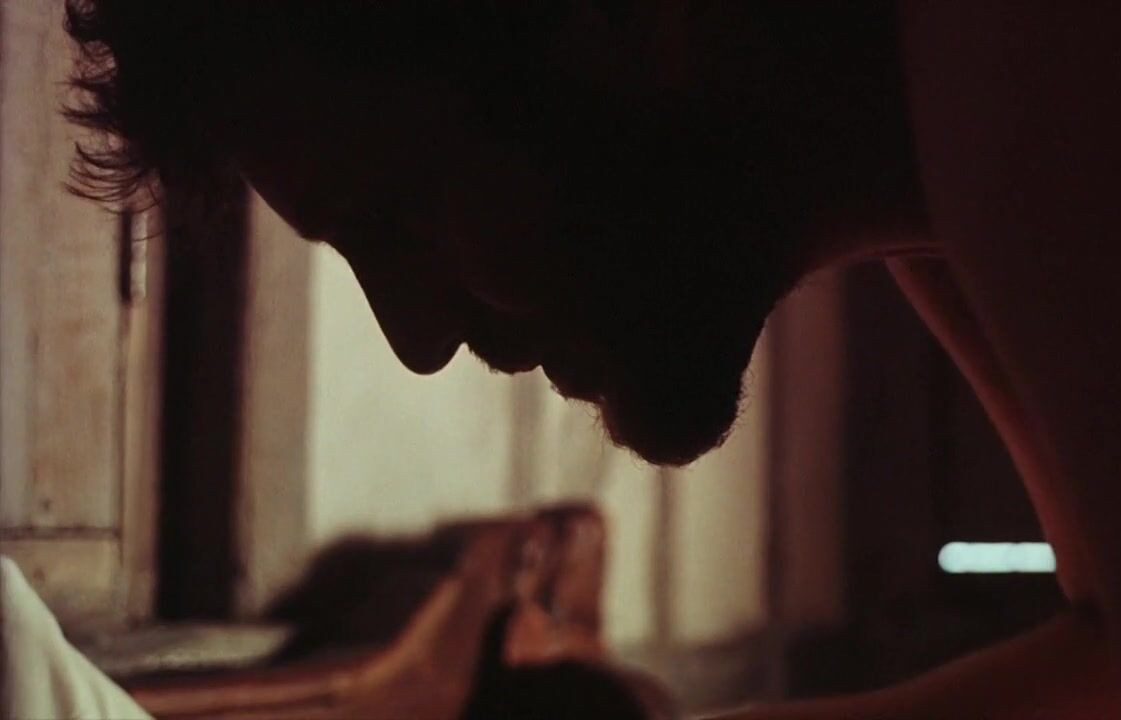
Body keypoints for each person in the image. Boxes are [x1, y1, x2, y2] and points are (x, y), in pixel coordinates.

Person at [60, 1, 1121, 717]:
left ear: (611, 21)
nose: (417, 341)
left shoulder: (1022, 52)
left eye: (402, 214)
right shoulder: (929, 190)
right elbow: (1102, 646)